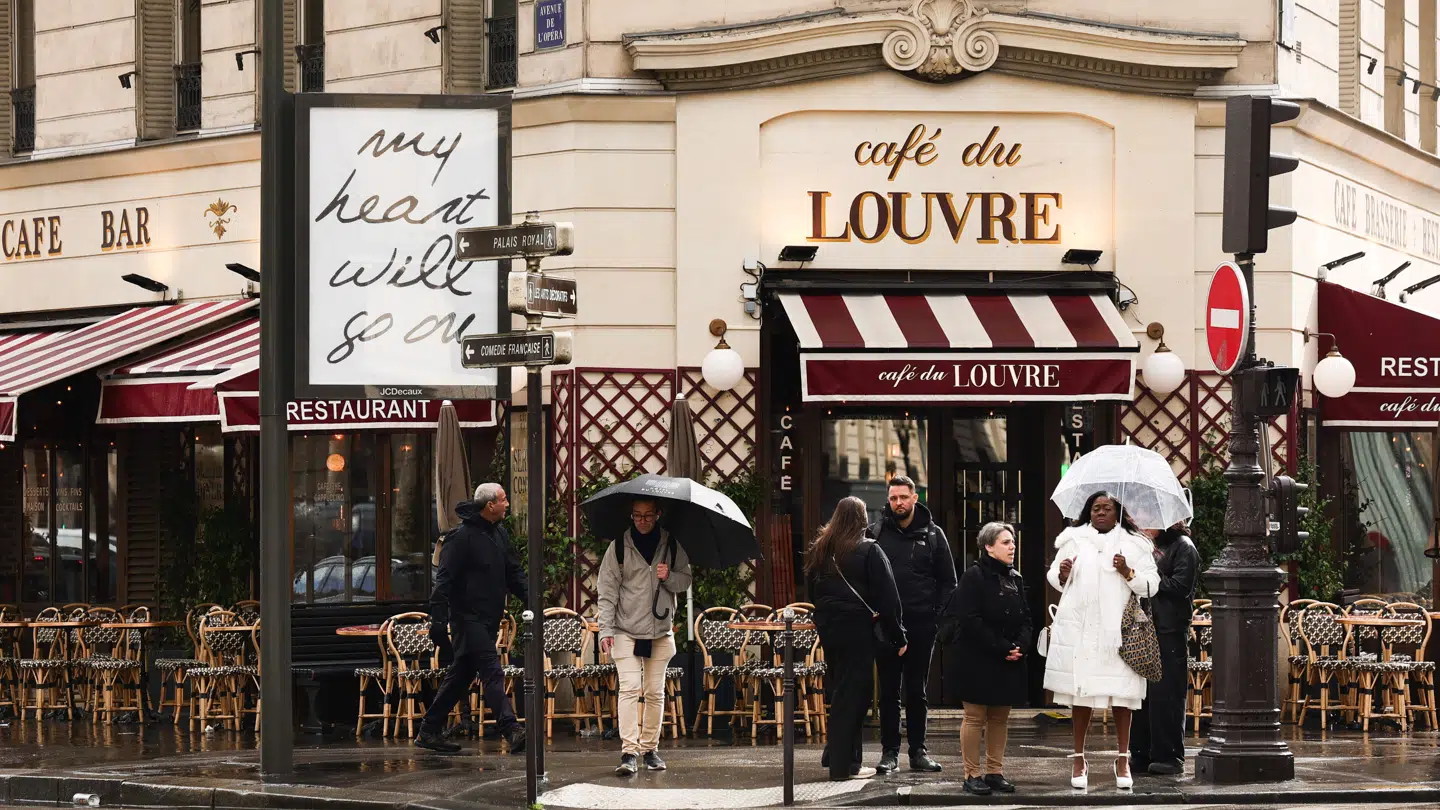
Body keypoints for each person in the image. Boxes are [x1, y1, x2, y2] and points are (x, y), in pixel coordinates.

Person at [1043, 491, 1160, 791]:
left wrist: (1127, 572)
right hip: (1082, 630)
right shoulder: (1072, 540)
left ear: (1117, 512)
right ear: (1088, 512)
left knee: (1122, 697)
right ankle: (1079, 758)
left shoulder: (1135, 543)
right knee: (1081, 696)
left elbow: (1151, 586)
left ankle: (1122, 758)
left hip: (1118, 632)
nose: (1100, 513)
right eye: (1095, 508)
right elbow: (1054, 576)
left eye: (1107, 508)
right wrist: (1062, 573)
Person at [416, 483, 527, 754]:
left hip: (489, 618)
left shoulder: (499, 534)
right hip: (467, 619)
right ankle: (510, 728)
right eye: (503, 499)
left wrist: (532, 599)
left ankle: (429, 730)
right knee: (491, 669)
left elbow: (513, 572)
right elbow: (443, 583)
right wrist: (439, 621)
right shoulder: (460, 538)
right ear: (490, 505)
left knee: (461, 676)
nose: (507, 504)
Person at [808, 496, 907, 782]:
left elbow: (813, 594)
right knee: (854, 696)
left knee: (841, 692)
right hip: (857, 630)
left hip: (829, 630)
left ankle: (846, 760)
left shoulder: (821, 550)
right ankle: (842, 766)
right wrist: (898, 637)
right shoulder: (868, 549)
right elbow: (889, 599)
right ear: (862, 519)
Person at [596, 497, 693, 777]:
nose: (642, 520)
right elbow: (607, 592)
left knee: (654, 692)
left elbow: (686, 580)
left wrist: (669, 576)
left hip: (660, 631)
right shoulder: (618, 548)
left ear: (658, 514)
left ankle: (650, 749)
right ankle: (629, 752)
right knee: (629, 689)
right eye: (637, 515)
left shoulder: (672, 545)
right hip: (625, 629)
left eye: (648, 515)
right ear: (631, 515)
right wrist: (606, 630)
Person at [869, 475, 956, 774]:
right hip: (886, 626)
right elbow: (865, 580)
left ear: (915, 498)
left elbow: (948, 582)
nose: (898, 503)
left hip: (921, 625)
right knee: (889, 692)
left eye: (903, 497)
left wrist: (936, 617)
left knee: (917, 691)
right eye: (893, 498)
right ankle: (889, 752)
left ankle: (918, 751)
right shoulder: (876, 532)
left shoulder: (933, 535)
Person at [940, 521, 1031, 796]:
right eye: (1005, 542)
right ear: (989, 547)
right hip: (977, 657)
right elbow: (970, 620)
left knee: (1000, 718)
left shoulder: (1016, 578)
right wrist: (1002, 646)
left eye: (1013, 541)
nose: (1012, 546)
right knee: (975, 716)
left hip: (1008, 658)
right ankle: (972, 774)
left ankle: (994, 771)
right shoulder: (974, 576)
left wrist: (1021, 646)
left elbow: (1027, 618)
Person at [1130, 521, 1199, 776]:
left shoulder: (1183, 547)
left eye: (1150, 521)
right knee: (1142, 695)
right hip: (1144, 628)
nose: (1144, 526)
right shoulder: (1145, 548)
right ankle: (1141, 752)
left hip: (1170, 629)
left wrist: (1148, 579)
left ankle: (1169, 755)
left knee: (1167, 695)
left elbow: (1181, 586)